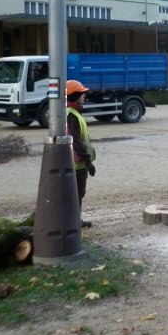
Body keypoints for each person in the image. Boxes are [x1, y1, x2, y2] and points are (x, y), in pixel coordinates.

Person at [65, 79, 97, 228]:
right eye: (82, 94)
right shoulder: (72, 116)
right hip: (77, 165)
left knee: (76, 194)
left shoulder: (72, 114)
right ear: (74, 96)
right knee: (77, 194)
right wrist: (88, 161)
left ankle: (74, 221)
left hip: (75, 164)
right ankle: (73, 222)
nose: (85, 96)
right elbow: (76, 142)